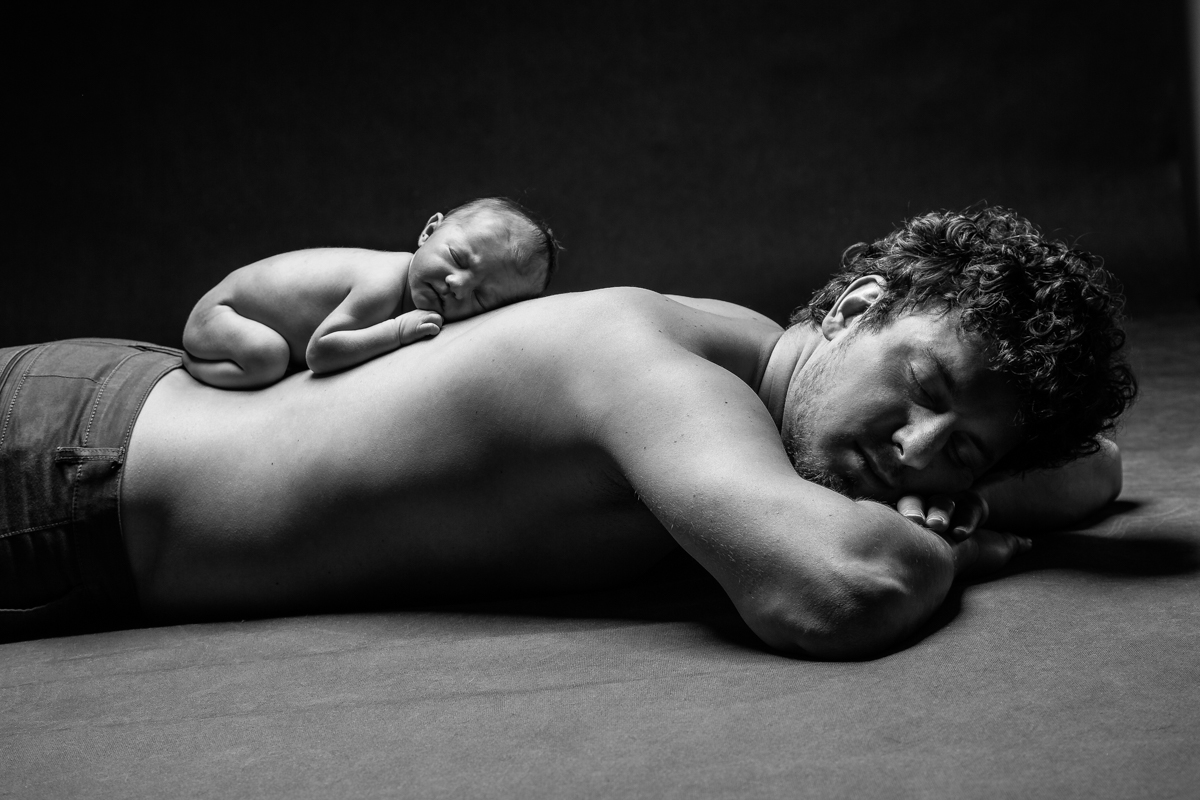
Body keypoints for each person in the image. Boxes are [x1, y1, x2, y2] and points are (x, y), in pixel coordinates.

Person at [0, 206, 1135, 657]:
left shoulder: (762, 371)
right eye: (921, 385)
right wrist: (956, 543)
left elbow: (1091, 474)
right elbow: (838, 590)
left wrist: (964, 485)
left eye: (963, 448)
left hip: (96, 453)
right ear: (852, 308)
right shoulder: (656, 367)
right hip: (57, 468)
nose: (918, 452)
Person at [182, 196, 560, 388]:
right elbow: (321, 352)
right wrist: (398, 332)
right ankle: (191, 365)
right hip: (223, 315)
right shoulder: (383, 282)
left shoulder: (415, 294)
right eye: (458, 258)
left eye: (482, 297)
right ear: (429, 232)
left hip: (243, 316)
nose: (458, 286)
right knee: (268, 357)